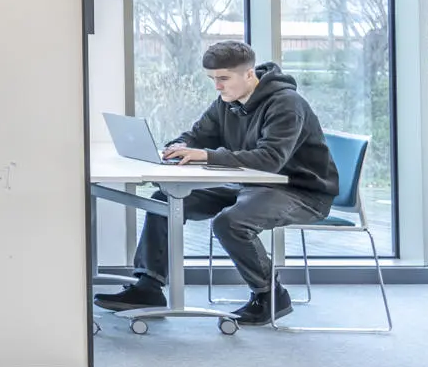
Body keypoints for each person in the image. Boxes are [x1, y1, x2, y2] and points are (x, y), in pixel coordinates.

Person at [93, 41, 338, 325]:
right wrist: (176, 147)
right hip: (250, 185)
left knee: (230, 222)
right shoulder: (227, 102)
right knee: (166, 200)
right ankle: (148, 286)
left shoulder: (286, 104)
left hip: (301, 192)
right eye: (212, 79)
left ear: (249, 75)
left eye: (223, 79)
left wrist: (207, 154)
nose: (217, 87)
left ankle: (271, 296)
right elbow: (198, 135)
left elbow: (270, 159)